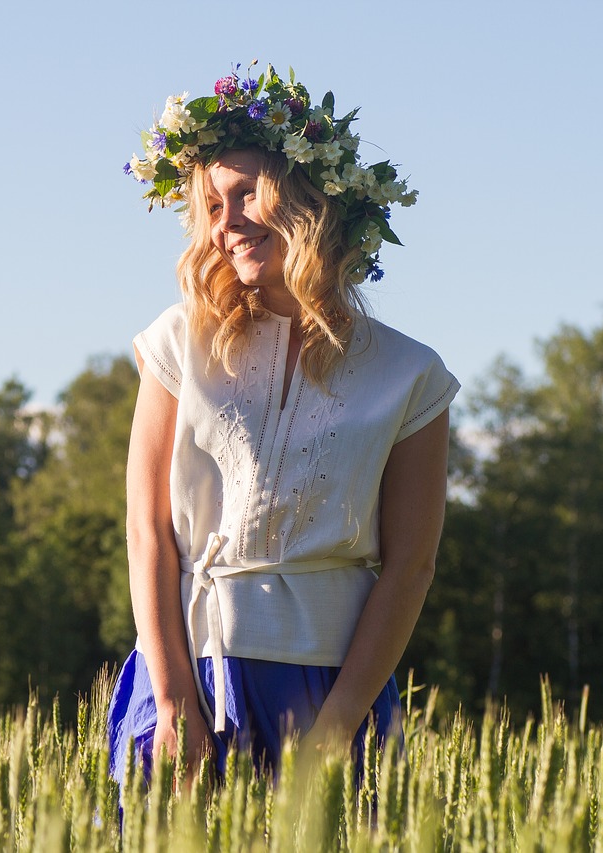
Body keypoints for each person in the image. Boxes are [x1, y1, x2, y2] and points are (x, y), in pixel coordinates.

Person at [108, 62, 459, 783]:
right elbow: (147, 531)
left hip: (331, 690)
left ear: (306, 203)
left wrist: (337, 729)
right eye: (210, 203)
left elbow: (410, 566)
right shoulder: (179, 341)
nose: (225, 222)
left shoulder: (412, 374)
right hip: (188, 677)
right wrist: (174, 699)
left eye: (245, 196)